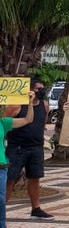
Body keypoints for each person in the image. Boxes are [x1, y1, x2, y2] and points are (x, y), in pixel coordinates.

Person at [4, 81, 54, 219]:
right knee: (10, 179)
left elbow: (42, 123)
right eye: (38, 88)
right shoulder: (17, 106)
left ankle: (36, 208)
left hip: (36, 147)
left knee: (35, 177)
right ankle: (2, 209)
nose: (41, 91)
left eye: (43, 88)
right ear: (31, 89)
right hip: (17, 147)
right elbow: (3, 124)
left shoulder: (44, 105)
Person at [0, 91, 36, 228]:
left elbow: (28, 119)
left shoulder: (3, 122)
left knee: (1, 201)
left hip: (1, 168)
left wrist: (30, 103)